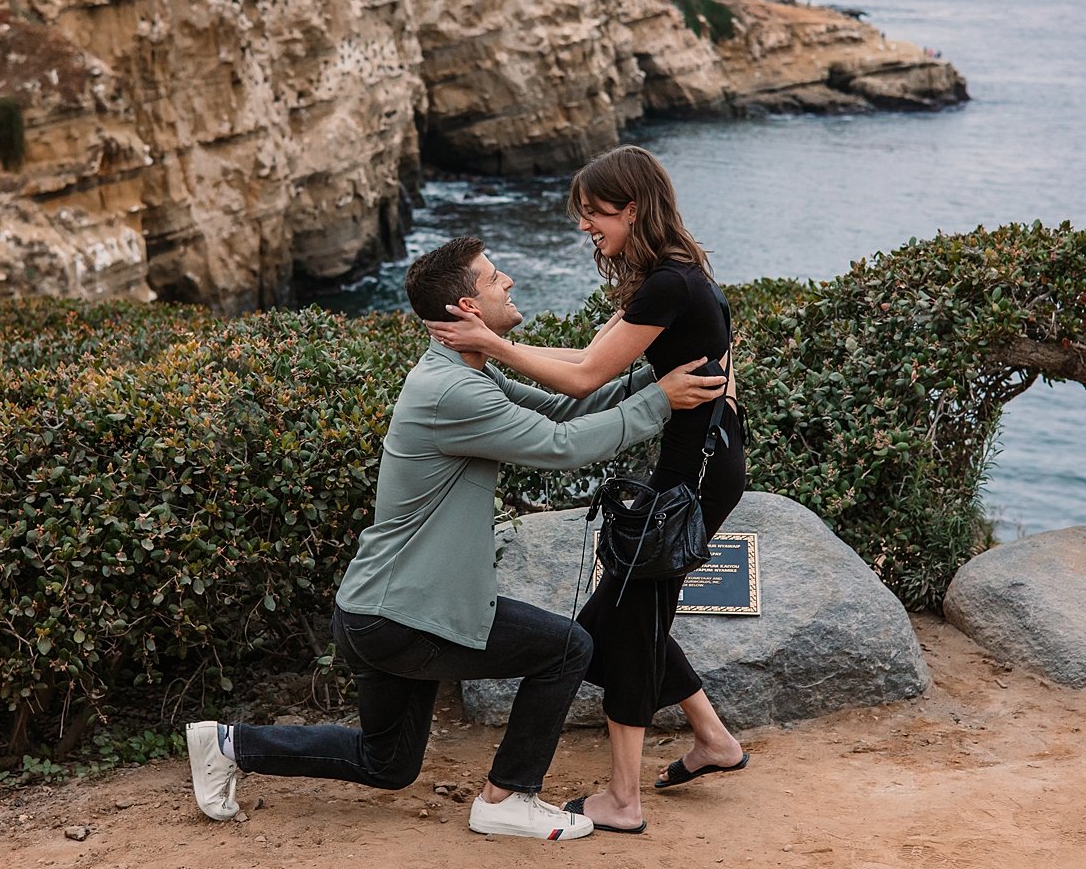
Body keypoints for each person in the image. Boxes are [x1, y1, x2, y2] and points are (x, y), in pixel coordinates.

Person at [185, 236, 726, 841]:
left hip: (376, 611)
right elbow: (564, 448)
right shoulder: (454, 393)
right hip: (406, 614)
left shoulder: (463, 372)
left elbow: (561, 411)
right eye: (495, 279)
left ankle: (227, 744)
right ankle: (506, 799)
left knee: (387, 763)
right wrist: (658, 400)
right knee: (567, 648)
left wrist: (662, 384)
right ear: (468, 309)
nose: (510, 283)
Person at [426, 145, 749, 834]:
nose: (585, 227)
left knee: (628, 622)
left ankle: (623, 801)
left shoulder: (669, 285)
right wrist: (490, 351)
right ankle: (712, 737)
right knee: (619, 616)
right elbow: (586, 362)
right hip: (704, 461)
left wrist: (492, 342)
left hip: (691, 474)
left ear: (632, 208)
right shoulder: (673, 276)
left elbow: (581, 383)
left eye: (594, 213)